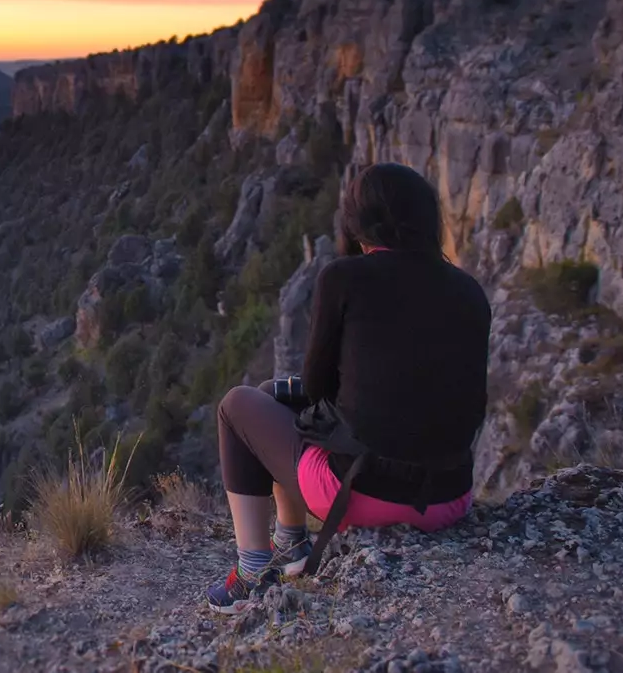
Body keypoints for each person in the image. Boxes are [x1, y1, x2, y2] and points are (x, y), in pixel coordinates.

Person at [205, 162, 492, 613]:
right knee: (270, 392)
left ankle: (251, 572)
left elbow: (319, 388)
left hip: (366, 493)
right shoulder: (470, 290)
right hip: (449, 497)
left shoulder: (344, 277)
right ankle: (290, 544)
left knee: (237, 405)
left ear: (358, 222)